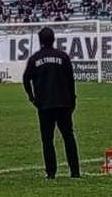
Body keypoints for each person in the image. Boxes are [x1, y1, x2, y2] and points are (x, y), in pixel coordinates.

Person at [22, 27, 80, 180]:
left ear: (40, 41)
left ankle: (51, 173)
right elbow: (70, 80)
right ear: (53, 39)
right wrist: (72, 100)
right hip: (64, 103)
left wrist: (32, 98)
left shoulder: (35, 59)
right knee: (68, 136)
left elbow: (25, 79)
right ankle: (75, 171)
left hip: (45, 105)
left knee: (47, 139)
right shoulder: (63, 57)